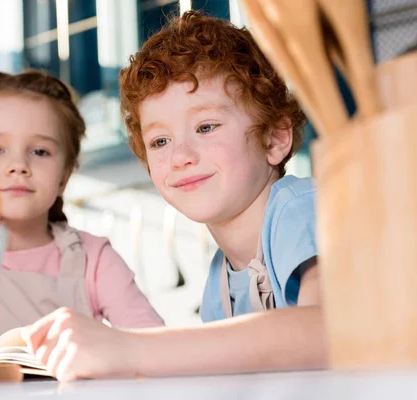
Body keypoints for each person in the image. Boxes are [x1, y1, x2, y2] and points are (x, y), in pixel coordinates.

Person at [22, 11, 326, 381]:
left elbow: (325, 331)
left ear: (275, 139)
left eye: (206, 126)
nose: (180, 156)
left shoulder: (299, 208)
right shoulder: (220, 278)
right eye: (160, 141)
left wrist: (129, 348)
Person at [0, 69, 164, 339]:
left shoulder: (92, 259)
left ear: (65, 175)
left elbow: (154, 344)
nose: (18, 166)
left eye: (40, 151)